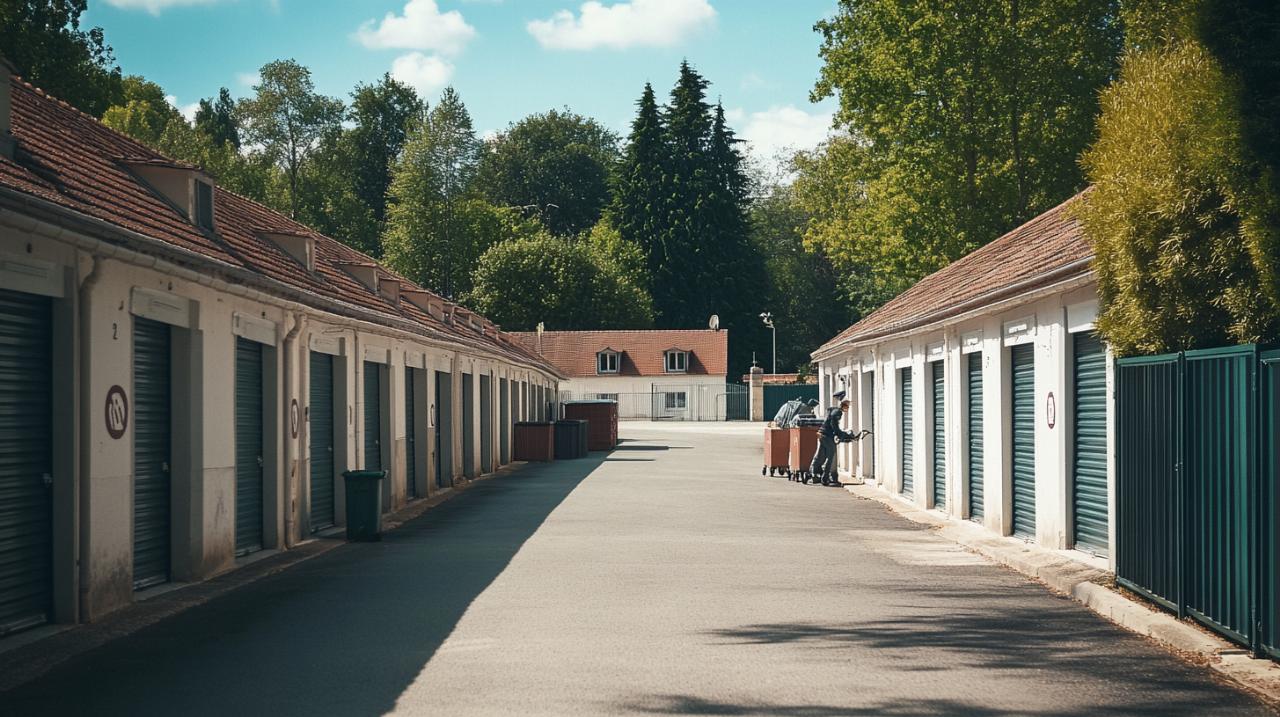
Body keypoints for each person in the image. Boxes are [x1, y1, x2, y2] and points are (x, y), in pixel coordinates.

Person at [809, 400, 853, 486]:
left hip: (822, 434)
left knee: (820, 456)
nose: (848, 408)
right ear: (844, 406)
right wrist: (841, 434)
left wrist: (840, 433)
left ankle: (812, 473)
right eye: (847, 407)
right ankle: (825, 478)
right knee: (830, 456)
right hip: (827, 436)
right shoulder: (838, 412)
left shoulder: (834, 410)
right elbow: (834, 425)